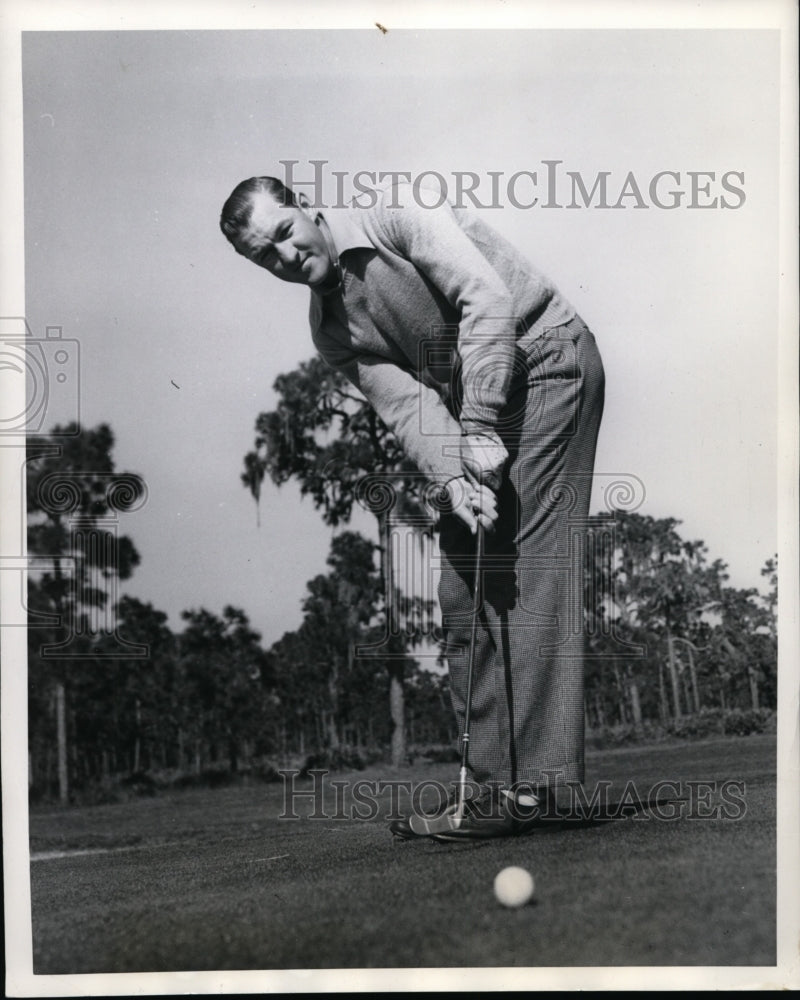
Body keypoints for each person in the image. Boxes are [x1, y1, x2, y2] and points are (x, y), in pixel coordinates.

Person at [220, 176, 605, 840]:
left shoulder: (392, 213)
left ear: (309, 210)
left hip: (545, 359)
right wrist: (457, 478)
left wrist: (480, 421)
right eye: (264, 257)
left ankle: (526, 793)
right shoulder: (329, 330)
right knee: (462, 581)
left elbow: (486, 297)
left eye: (283, 234)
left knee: (528, 567)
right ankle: (496, 789)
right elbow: (407, 409)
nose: (284, 258)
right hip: (477, 407)